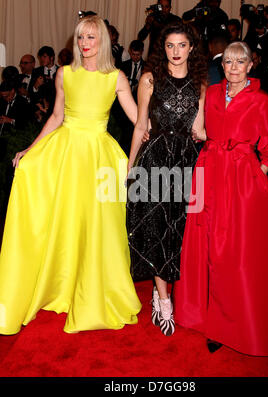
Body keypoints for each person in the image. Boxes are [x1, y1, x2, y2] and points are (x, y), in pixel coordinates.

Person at [0, 15, 141, 335]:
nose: (85, 43)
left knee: (99, 224)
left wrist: (145, 151)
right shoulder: (64, 74)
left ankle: (94, 287)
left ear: (102, 40)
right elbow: (56, 116)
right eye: (80, 38)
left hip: (99, 155)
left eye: (91, 37)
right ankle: (60, 283)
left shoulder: (116, 77)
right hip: (66, 152)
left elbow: (138, 121)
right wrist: (31, 151)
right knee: (64, 219)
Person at [174, 41, 268, 356]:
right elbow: (200, 129)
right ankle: (203, 314)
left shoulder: (262, 101)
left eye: (240, 62)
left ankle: (233, 322)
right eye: (228, 63)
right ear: (221, 66)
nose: (233, 68)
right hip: (208, 172)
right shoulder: (210, 94)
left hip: (241, 180)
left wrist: (262, 167)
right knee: (204, 243)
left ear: (251, 65)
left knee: (236, 250)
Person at [126, 22, 207, 336]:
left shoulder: (200, 83)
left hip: (187, 161)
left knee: (182, 229)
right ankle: (163, 302)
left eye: (181, 45)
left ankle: (175, 295)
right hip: (156, 160)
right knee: (158, 228)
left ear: (190, 48)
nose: (176, 52)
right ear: (164, 48)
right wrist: (131, 167)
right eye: (170, 46)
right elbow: (139, 125)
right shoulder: (149, 79)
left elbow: (199, 130)